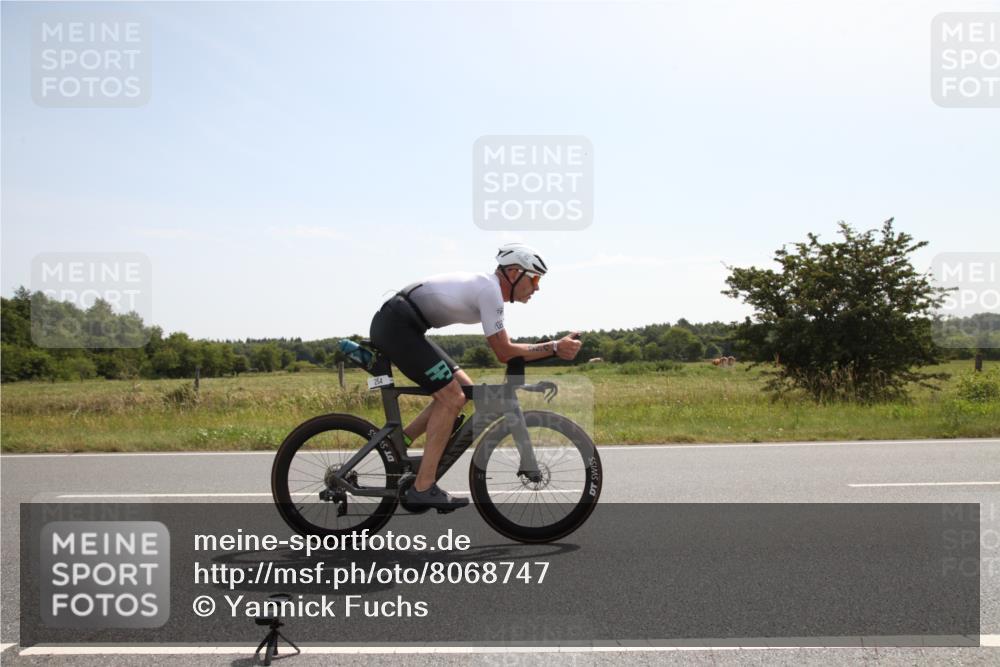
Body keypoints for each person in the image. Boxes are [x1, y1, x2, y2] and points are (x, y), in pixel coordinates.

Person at [369, 243, 583, 511]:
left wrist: (548, 349)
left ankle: (397, 445)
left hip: (406, 325)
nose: (537, 287)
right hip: (398, 326)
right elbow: (504, 352)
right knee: (452, 398)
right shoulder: (489, 290)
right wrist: (553, 347)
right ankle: (422, 487)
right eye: (535, 278)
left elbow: (508, 347)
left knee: (466, 390)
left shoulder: (488, 290)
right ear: (515, 272)